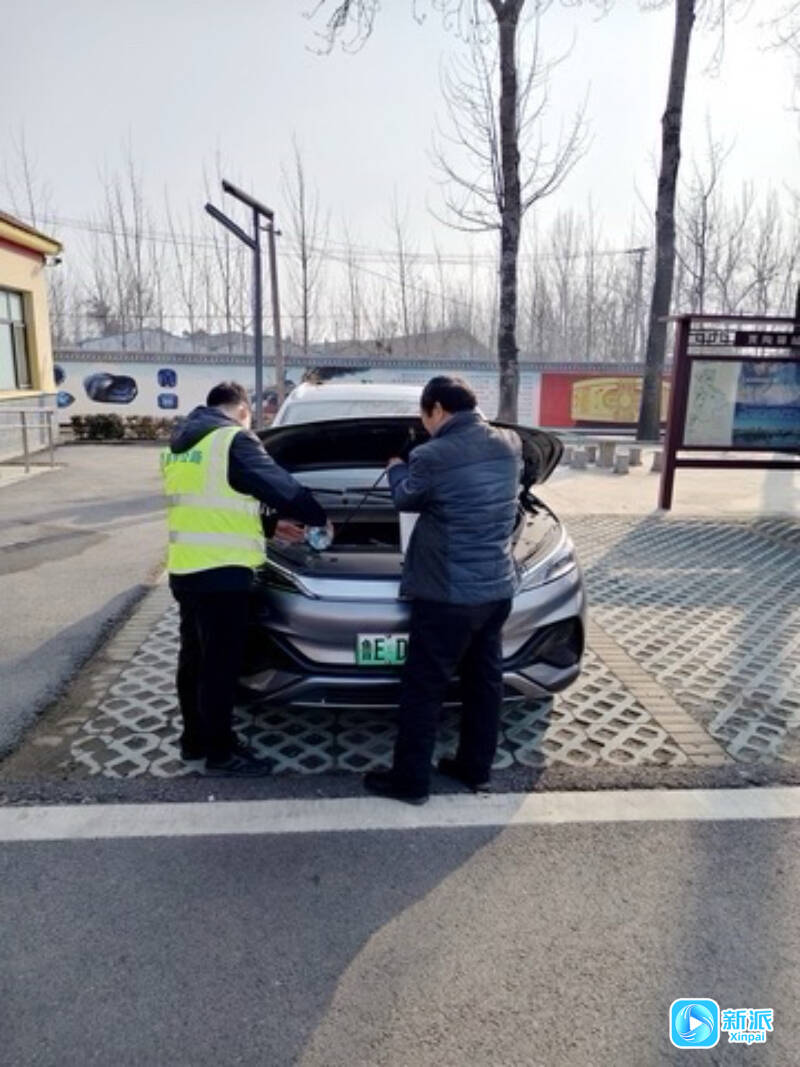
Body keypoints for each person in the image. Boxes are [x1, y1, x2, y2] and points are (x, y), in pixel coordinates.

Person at [364, 376, 522, 805]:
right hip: (496, 590)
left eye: (425, 416)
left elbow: (405, 500)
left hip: (448, 596)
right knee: (484, 684)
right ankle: (475, 769)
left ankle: (410, 782)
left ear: (437, 409)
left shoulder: (431, 455)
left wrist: (396, 467)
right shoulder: (510, 443)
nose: (425, 424)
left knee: (424, 688)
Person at [163, 381, 330, 777]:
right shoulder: (232, 439)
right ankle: (221, 754)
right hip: (222, 573)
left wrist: (270, 525)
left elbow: (212, 502)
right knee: (220, 668)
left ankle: (194, 741)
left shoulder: (181, 444)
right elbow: (280, 485)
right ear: (242, 410)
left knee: (194, 661)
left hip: (187, 568)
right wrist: (317, 516)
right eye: (249, 417)